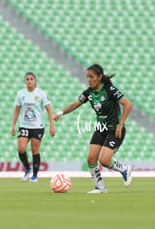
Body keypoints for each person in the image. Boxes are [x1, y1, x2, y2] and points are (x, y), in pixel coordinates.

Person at [53, 64, 133, 193]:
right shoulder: (89, 92)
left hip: (115, 129)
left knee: (104, 161)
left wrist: (121, 124)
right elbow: (74, 104)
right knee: (91, 158)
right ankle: (100, 187)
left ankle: (124, 169)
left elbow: (128, 104)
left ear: (100, 77)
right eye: (87, 77)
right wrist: (61, 113)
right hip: (101, 128)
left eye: (91, 77)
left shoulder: (109, 89)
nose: (89, 80)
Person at [11, 72, 56, 182]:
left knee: (35, 151)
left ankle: (35, 175)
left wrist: (52, 126)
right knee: (21, 149)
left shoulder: (41, 93)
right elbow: (17, 110)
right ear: (25, 81)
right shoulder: (21, 94)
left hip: (37, 126)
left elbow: (49, 109)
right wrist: (13, 125)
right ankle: (27, 168)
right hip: (24, 126)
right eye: (27, 79)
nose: (29, 81)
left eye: (31, 79)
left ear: (35, 81)